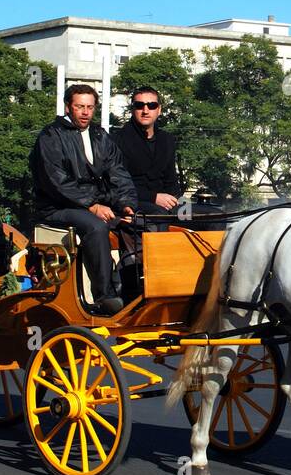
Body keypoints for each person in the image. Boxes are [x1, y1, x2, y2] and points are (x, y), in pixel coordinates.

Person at [29, 83, 138, 316]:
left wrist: (127, 204)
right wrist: (92, 205)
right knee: (95, 227)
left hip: (95, 204)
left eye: (90, 107)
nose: (85, 112)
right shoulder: (50, 136)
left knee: (139, 222)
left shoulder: (100, 135)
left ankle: (134, 288)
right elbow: (55, 180)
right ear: (68, 107)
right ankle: (104, 296)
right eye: (80, 107)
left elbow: (118, 173)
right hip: (56, 206)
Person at [110, 87, 181, 219]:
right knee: (160, 216)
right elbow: (116, 184)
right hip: (133, 202)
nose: (145, 111)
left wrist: (176, 200)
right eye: (139, 105)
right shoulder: (117, 140)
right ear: (132, 109)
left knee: (209, 214)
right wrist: (154, 198)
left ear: (159, 110)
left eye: (152, 105)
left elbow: (171, 181)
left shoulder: (167, 140)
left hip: (166, 201)